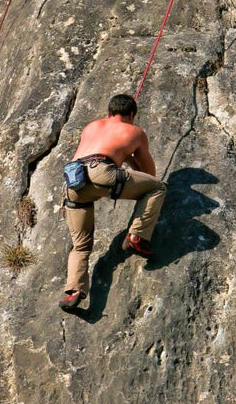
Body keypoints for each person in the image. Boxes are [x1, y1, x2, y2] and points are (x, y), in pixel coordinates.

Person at [59, 93, 167, 311]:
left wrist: (121, 154)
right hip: (101, 174)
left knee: (80, 245)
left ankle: (73, 292)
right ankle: (137, 235)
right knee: (158, 188)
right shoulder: (134, 131)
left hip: (72, 184)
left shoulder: (90, 127)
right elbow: (149, 174)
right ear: (132, 115)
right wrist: (128, 155)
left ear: (108, 113)